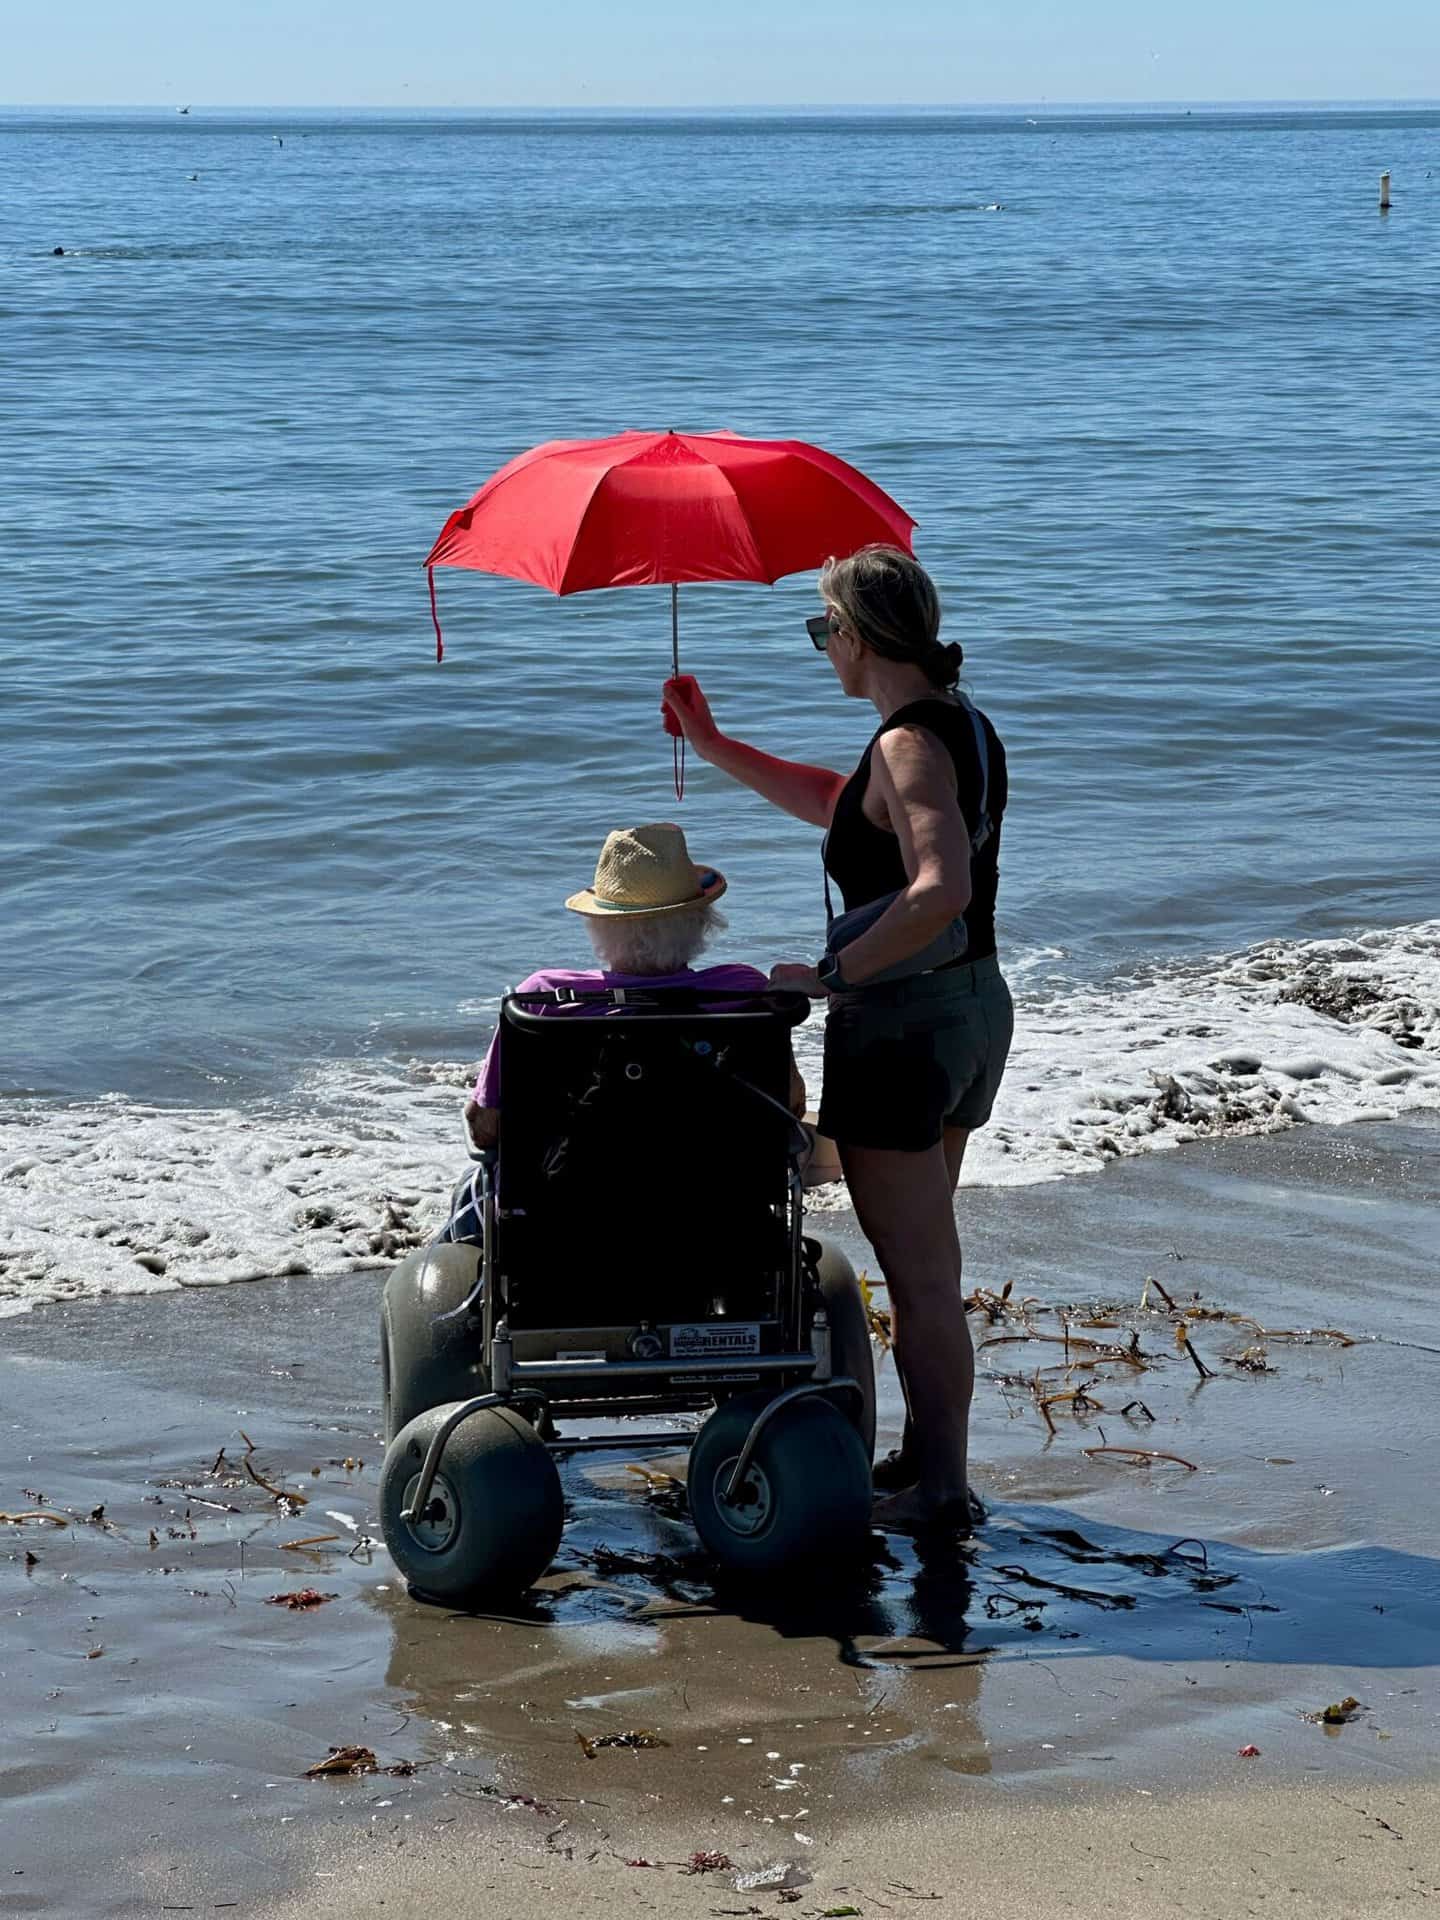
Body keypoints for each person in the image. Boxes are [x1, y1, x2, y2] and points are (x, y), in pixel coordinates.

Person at [663, 545, 1011, 1535]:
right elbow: (838, 804)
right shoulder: (957, 726)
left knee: (922, 1276)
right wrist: (713, 740)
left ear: (856, 637)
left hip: (903, 1029)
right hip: (974, 1010)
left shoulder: (907, 745)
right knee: (928, 1262)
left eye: (825, 632)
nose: (824, 650)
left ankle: (941, 1488)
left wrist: (832, 977)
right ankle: (927, 1452)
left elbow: (939, 886)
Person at [439, 823, 805, 1241]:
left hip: (563, 1223)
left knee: (474, 1190)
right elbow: (790, 1104)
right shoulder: (745, 993)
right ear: (701, 921)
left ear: (600, 925)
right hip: (720, 1221)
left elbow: (485, 1126)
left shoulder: (542, 999)